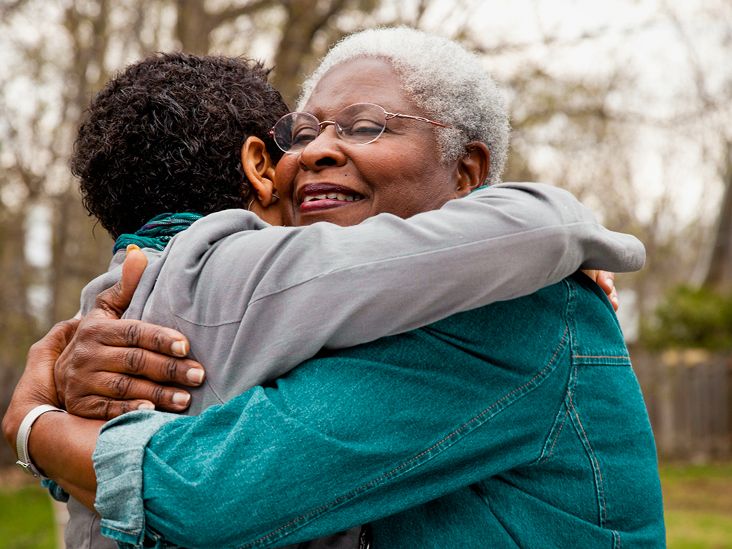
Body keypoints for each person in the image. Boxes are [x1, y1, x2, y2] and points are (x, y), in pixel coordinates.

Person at [3, 27, 663, 548]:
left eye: (365, 125)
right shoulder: (338, 312)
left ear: (467, 172)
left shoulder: (518, 308)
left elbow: (212, 488)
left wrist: (36, 424)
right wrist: (71, 364)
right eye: (306, 131)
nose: (315, 151)